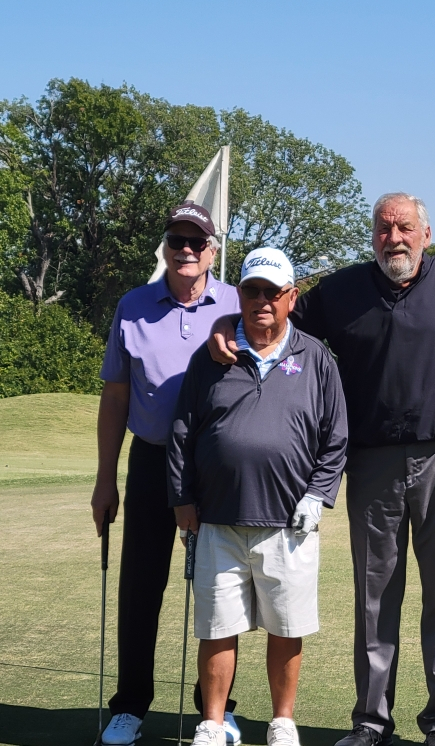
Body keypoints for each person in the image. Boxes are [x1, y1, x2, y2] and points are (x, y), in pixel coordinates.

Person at [208, 193, 435, 746]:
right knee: (375, 598)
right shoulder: (342, 291)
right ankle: (371, 721)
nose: (395, 239)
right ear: (373, 237)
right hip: (372, 464)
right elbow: (274, 310)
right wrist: (225, 322)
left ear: (425, 233)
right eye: (384, 229)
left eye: (405, 227)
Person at [168, 248, 349, 746]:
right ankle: (211, 721)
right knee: (216, 625)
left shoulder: (315, 358)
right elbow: (183, 430)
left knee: (285, 626)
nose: (262, 301)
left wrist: (318, 495)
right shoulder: (211, 357)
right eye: (252, 290)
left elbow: (335, 437)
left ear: (291, 297)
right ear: (239, 295)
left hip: (289, 522)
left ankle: (282, 720)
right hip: (217, 519)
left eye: (273, 292)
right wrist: (182, 499)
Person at [91, 202, 243, 746]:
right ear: (166, 247)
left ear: (213, 250)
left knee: (220, 590)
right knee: (141, 586)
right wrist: (105, 479)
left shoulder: (235, 300)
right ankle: (130, 705)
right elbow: (114, 397)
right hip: (152, 460)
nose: (186, 249)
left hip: (217, 463)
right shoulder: (133, 305)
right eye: (177, 240)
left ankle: (216, 711)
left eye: (197, 242)